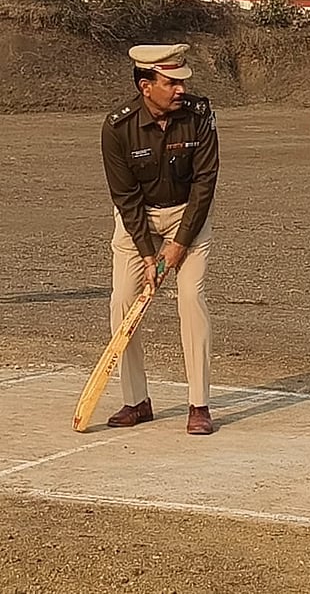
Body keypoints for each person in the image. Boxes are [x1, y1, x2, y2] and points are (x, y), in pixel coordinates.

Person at [100, 43, 220, 435]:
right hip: (140, 223)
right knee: (122, 302)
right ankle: (137, 401)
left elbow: (205, 183)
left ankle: (199, 405)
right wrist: (149, 254)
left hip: (189, 216)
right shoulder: (117, 127)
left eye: (182, 81)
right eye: (171, 82)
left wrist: (179, 243)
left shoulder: (199, 116)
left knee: (191, 299)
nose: (181, 89)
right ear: (145, 85)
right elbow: (125, 197)